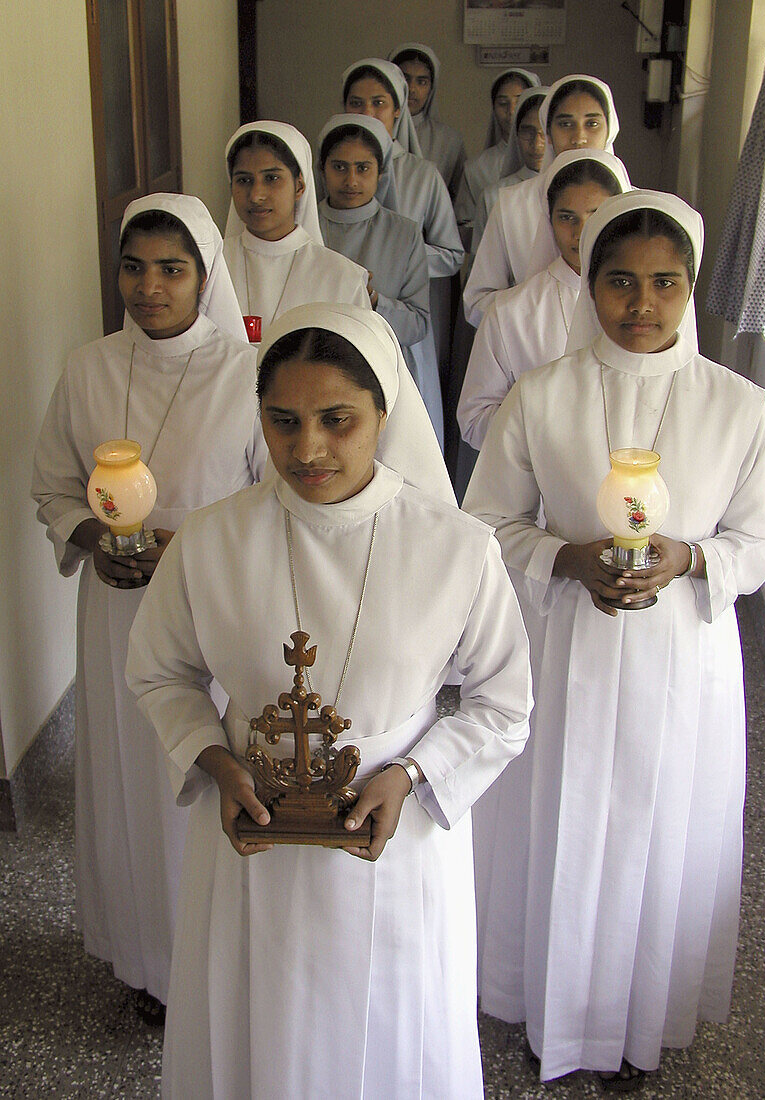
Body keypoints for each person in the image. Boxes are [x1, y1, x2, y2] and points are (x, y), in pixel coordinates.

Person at [125, 302, 532, 1099]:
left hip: (393, 838)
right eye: (282, 421)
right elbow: (160, 671)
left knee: (386, 1031)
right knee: (259, 1035)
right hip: (253, 838)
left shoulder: (454, 546)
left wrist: (411, 775)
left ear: (384, 410)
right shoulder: (210, 540)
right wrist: (213, 756)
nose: (306, 449)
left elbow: (501, 700)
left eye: (336, 420)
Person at [464, 190, 765, 1089]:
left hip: (678, 656)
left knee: (654, 829)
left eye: (664, 284)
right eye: (619, 282)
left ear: (690, 289)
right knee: (558, 821)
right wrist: (566, 558)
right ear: (589, 283)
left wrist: (688, 557)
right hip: (566, 646)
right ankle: (548, 1008)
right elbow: (486, 522)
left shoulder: (738, 407)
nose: (640, 306)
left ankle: (636, 1024)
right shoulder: (541, 396)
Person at [31, 194, 270, 1023]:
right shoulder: (89, 368)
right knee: (133, 780)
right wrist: (91, 539)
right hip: (115, 611)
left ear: (207, 276)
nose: (149, 286)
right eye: (133, 266)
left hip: (213, 617)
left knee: (205, 776)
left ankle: (219, 958)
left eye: (173, 269)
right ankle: (147, 956)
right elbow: (55, 488)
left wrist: (185, 549)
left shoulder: (247, 372)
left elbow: (271, 502)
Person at [459, 151, 630, 450]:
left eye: (596, 213)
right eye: (567, 218)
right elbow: (474, 420)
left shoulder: (642, 308)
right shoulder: (510, 312)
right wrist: (547, 426)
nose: (582, 231)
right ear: (548, 220)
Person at [343, 58, 464, 445]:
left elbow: (451, 253)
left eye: (378, 103)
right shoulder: (330, 172)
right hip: (346, 319)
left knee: (405, 433)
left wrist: (399, 258)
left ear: (399, 110)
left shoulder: (421, 174)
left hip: (405, 317)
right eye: (357, 103)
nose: (368, 113)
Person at [464, 74, 618, 326]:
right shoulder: (512, 205)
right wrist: (537, 313)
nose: (579, 137)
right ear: (548, 131)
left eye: (592, 124)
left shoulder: (632, 205)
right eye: (565, 124)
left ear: (610, 129)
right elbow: (476, 303)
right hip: (530, 352)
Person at [317, 114, 436, 426]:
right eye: (339, 167)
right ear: (322, 170)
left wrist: (374, 301)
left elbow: (418, 324)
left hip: (383, 375)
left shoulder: (404, 233)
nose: (351, 180)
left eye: (363, 168)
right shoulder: (306, 229)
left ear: (381, 173)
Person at [223, 120, 369, 342]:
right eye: (244, 180)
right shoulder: (211, 266)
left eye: (271, 178)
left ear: (299, 186)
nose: (256, 195)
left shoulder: (342, 278)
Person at [454, 67, 541, 251]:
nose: (511, 111)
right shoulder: (477, 168)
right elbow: (463, 227)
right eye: (503, 103)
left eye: (519, 101)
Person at [471, 86, 548, 253]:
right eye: (528, 132)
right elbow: (479, 272)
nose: (537, 144)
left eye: (545, 133)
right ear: (516, 135)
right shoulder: (494, 197)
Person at [389, 41, 467, 197]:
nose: (411, 89)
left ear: (431, 88)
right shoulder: (372, 133)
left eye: (421, 82)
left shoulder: (449, 140)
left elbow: (456, 199)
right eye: (405, 79)